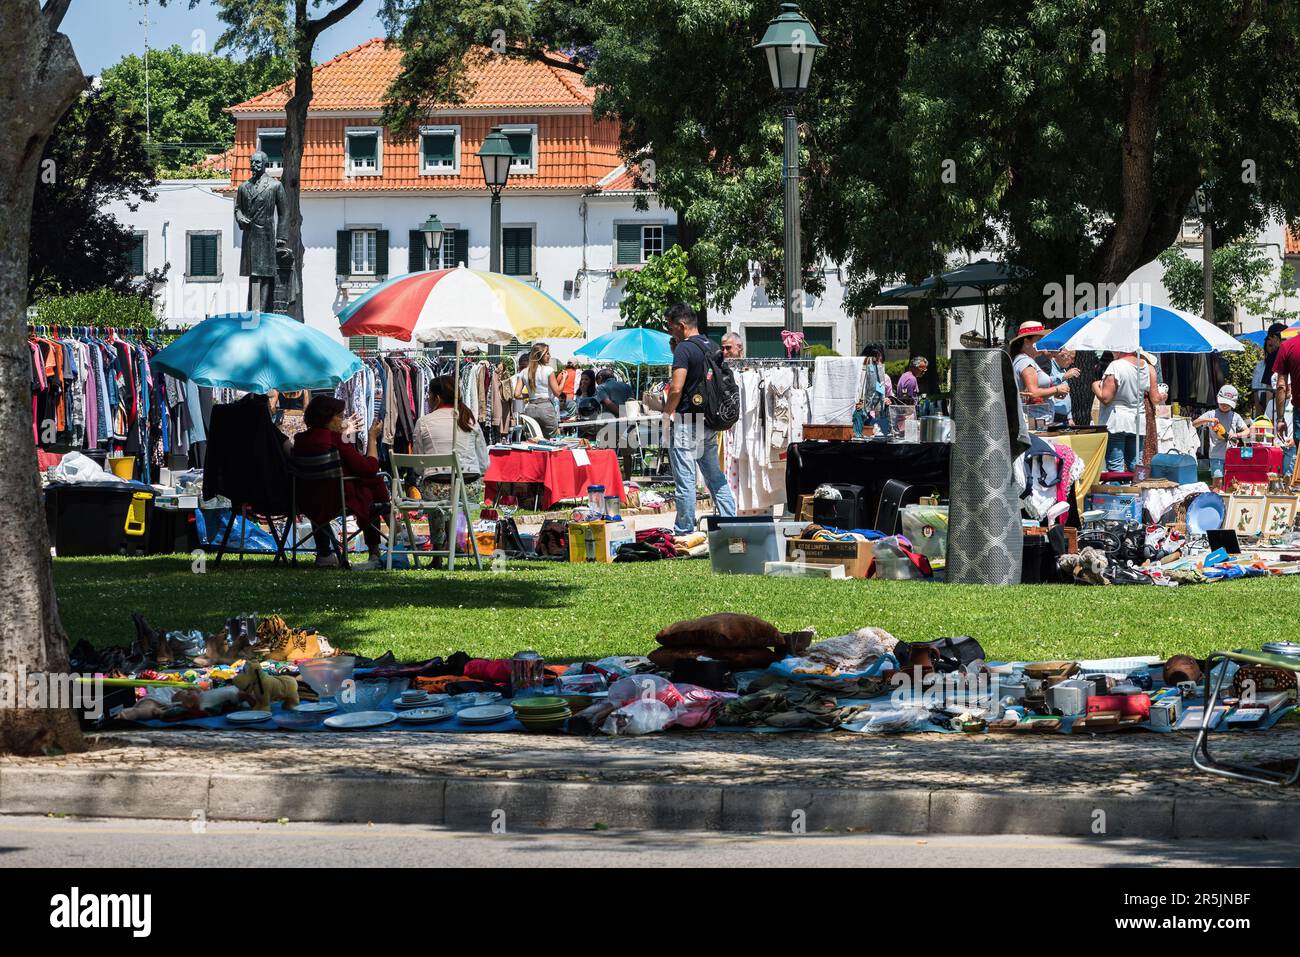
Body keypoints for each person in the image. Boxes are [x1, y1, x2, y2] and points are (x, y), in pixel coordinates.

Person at [662, 301, 737, 533]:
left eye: (670, 327)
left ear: (682, 325)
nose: (670, 332)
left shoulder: (684, 349)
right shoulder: (711, 345)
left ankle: (685, 530)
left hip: (687, 421)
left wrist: (666, 415)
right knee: (714, 476)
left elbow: (676, 388)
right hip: (709, 420)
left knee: (685, 480)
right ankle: (730, 521)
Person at [293, 395, 390, 569]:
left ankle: (326, 553)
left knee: (370, 482)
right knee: (373, 481)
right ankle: (377, 548)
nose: (342, 420)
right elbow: (368, 467)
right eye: (339, 416)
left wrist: (344, 434)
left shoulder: (301, 439)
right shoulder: (335, 440)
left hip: (307, 499)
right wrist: (372, 438)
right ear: (327, 418)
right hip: (337, 498)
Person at [412, 375, 490, 512]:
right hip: (468, 488)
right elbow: (484, 464)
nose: (427, 399)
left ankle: (438, 533)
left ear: (437, 398)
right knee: (458, 505)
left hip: (435, 488)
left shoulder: (423, 422)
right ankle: (458, 532)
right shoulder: (469, 420)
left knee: (433, 494)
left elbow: (418, 467)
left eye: (428, 395)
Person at [1092, 349, 1161, 472]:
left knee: (1115, 467)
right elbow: (1155, 397)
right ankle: (1136, 491)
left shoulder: (1115, 366)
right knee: (1136, 467)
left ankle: (1119, 490)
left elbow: (1106, 398)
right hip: (1137, 420)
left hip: (1116, 421)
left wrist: (1094, 386)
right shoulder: (1147, 367)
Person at [1008, 321, 1068, 427]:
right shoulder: (1026, 362)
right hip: (1036, 422)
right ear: (1026, 342)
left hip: (1035, 420)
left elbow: (1030, 395)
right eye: (1039, 340)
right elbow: (1033, 392)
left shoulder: (1023, 360)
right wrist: (1057, 389)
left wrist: (1052, 393)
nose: (1042, 344)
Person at [1192, 384, 1249, 487]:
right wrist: (1208, 420)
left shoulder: (1235, 416)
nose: (1224, 405)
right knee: (1217, 482)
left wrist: (1236, 434)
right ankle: (1217, 499)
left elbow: (1247, 431)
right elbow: (1194, 423)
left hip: (1232, 455)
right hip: (1216, 455)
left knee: (1233, 482)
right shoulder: (1211, 414)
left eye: (1227, 404)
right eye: (1222, 403)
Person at [513, 342, 562, 437]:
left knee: (533, 440)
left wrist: (531, 394)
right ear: (540, 355)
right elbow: (557, 392)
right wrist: (564, 379)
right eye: (547, 353)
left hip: (531, 408)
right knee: (550, 439)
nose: (549, 356)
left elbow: (517, 395)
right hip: (545, 407)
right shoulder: (548, 370)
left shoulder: (524, 372)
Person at [1251, 322, 1287, 414]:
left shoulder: (1273, 357)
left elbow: (1269, 388)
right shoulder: (1294, 352)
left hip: (1277, 402)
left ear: (1274, 338)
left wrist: (1268, 412)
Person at [860, 343, 893, 435]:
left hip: (877, 423)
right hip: (860, 420)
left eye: (878, 361)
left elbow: (888, 397)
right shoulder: (859, 377)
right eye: (873, 362)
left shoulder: (884, 378)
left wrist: (888, 400)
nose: (877, 365)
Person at [1044, 349, 1080, 426]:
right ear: (1062, 355)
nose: (1073, 362)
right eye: (1072, 358)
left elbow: (1066, 396)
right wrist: (1064, 376)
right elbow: (1045, 384)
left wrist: (1069, 417)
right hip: (1053, 417)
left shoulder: (1063, 369)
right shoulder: (1048, 365)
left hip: (1064, 419)